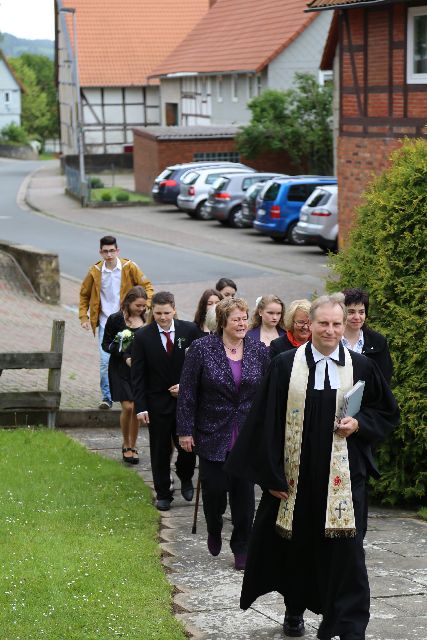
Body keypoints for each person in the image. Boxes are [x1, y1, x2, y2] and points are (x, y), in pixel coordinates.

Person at [225, 293, 399, 640]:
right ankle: (295, 609)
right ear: (309, 325)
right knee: (297, 550)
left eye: (337, 324)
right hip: (296, 480)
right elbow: (265, 421)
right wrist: (270, 473)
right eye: (323, 323)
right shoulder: (286, 365)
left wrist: (359, 424)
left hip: (345, 481)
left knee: (348, 556)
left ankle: (347, 625)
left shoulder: (361, 366)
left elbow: (385, 412)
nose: (330, 330)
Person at [177, 297, 270, 570]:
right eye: (236, 319)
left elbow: (265, 393)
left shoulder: (258, 350)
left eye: (245, 319)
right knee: (215, 491)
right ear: (222, 322)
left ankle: (242, 547)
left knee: (244, 497)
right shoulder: (202, 349)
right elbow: (188, 393)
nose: (242, 324)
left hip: (245, 435)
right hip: (211, 431)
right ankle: (214, 527)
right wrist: (185, 430)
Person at [131, 291, 200, 511]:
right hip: (157, 402)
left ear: (174, 309)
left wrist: (187, 387)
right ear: (152, 311)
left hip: (185, 401)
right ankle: (163, 492)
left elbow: (201, 366)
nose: (162, 317)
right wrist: (140, 406)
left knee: (189, 447)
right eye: (158, 313)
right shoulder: (143, 336)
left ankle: (185, 474)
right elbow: (138, 375)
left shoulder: (189, 331)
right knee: (160, 449)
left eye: (166, 313)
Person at [79, 235, 154, 410]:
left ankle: (131, 395)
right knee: (106, 360)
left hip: (127, 321)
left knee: (129, 357)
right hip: (107, 323)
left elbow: (148, 286)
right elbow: (84, 294)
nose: (109, 255)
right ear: (100, 252)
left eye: (112, 251)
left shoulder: (129, 267)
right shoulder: (95, 271)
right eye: (105, 251)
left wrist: (146, 306)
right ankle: (107, 397)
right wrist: (84, 317)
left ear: (117, 251)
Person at [102, 286, 147, 464]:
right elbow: (106, 344)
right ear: (128, 303)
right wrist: (122, 350)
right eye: (138, 305)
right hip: (120, 369)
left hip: (140, 370)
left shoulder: (147, 319)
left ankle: (133, 445)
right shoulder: (115, 319)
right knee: (127, 406)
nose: (141, 309)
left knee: (137, 408)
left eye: (144, 306)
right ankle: (125, 442)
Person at [342, 288, 393, 383]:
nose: (357, 317)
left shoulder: (378, 342)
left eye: (361, 312)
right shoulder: (332, 340)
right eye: (351, 312)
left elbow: (384, 379)